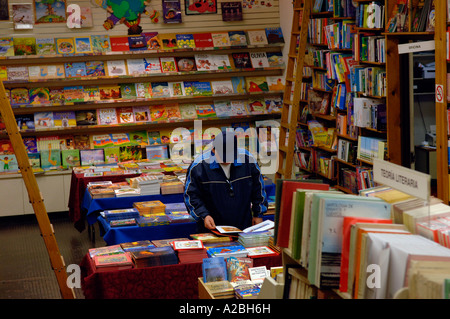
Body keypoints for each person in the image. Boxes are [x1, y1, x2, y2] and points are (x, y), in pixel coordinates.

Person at [184, 130, 268, 232]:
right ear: (213, 150)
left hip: (244, 224)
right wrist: (204, 215)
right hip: (212, 227)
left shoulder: (248, 160)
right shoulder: (199, 166)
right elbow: (191, 195)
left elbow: (258, 188)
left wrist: (258, 214)